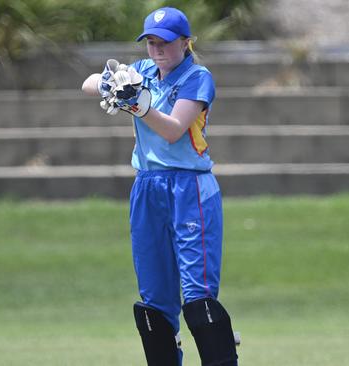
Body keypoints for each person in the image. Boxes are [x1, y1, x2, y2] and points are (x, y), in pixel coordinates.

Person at [81, 6, 238, 366]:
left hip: (190, 189)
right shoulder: (141, 72)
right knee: (153, 300)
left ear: (186, 42)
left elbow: (171, 130)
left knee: (198, 296)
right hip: (148, 187)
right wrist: (110, 84)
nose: (158, 50)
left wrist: (136, 105)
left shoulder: (198, 78)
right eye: (151, 42)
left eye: (166, 42)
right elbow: (88, 83)